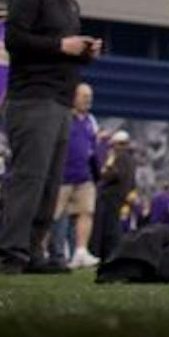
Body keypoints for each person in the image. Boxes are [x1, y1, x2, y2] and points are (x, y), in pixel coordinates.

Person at [0, 0, 101, 275]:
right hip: (33, 98)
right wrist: (60, 46)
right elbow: (13, 39)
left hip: (59, 101)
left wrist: (84, 52)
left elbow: (60, 49)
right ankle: (12, 254)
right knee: (29, 178)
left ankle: (33, 251)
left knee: (49, 183)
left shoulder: (69, 3)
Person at [56, 83, 106, 269]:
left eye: (90, 96)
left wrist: (96, 174)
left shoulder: (91, 120)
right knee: (52, 215)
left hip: (84, 176)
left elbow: (93, 149)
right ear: (73, 97)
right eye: (84, 95)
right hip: (62, 176)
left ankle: (80, 251)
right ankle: (42, 251)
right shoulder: (63, 117)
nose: (88, 99)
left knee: (86, 212)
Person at [93, 129, 135, 263]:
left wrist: (105, 172)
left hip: (111, 196)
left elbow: (115, 175)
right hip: (120, 196)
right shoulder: (130, 159)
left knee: (110, 228)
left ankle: (110, 254)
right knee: (113, 226)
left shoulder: (121, 157)